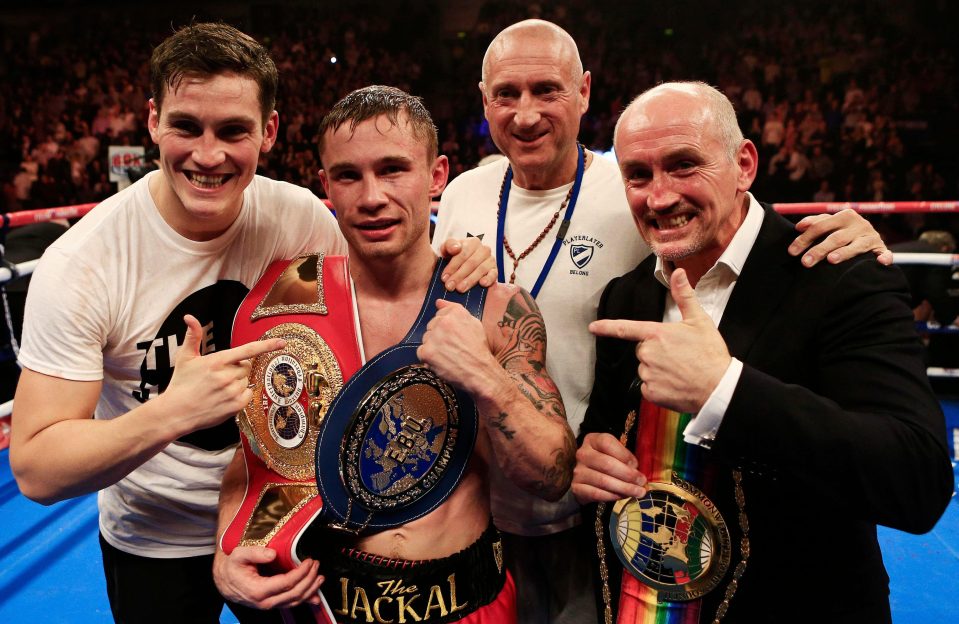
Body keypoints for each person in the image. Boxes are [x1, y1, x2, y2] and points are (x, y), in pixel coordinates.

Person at [9, 24, 493, 624]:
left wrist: (462, 255)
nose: (208, 155)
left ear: (268, 132)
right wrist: (171, 413)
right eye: (186, 126)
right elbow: (35, 465)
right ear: (154, 119)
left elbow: (390, 264)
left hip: (294, 518)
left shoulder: (298, 218)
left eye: (232, 130)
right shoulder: (85, 263)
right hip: (156, 536)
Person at [432, 18, 894, 624]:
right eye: (506, 94)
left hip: (612, 512)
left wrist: (850, 240)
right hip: (486, 503)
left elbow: (725, 214)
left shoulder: (629, 183)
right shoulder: (464, 192)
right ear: (483, 99)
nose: (525, 114)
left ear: (585, 92)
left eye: (547, 90)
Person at [572, 82, 954, 623]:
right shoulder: (629, 294)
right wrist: (593, 460)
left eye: (684, 165)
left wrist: (725, 391)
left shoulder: (841, 276)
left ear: (744, 164)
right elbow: (607, 432)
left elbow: (917, 481)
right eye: (639, 174)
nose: (658, 196)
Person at [214, 85, 576, 624]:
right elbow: (259, 460)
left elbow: (552, 476)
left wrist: (485, 377)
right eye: (348, 176)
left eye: (393, 170)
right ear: (325, 187)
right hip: (330, 602)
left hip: (466, 600)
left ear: (436, 175)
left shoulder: (495, 308)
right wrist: (226, 549)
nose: (371, 196)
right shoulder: (287, 307)